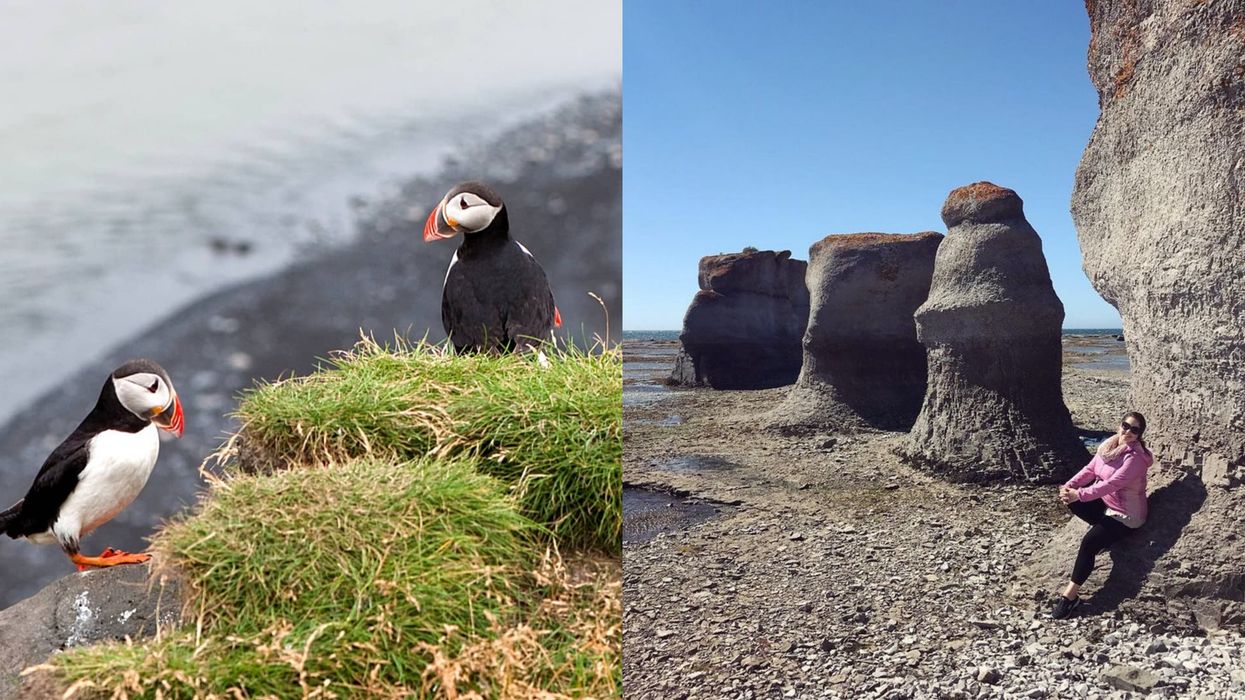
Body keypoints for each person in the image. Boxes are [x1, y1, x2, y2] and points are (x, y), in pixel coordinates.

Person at [1051, 411, 1154, 619]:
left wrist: (1079, 494)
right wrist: (1069, 487)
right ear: (1119, 425)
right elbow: (1090, 469)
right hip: (1107, 505)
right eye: (1126, 426)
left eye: (1135, 430)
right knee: (1071, 500)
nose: (1128, 432)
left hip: (1126, 515)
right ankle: (1105, 533)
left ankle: (1070, 597)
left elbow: (1112, 484)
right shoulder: (1108, 446)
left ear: (1139, 434)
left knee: (1089, 543)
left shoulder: (1135, 458)